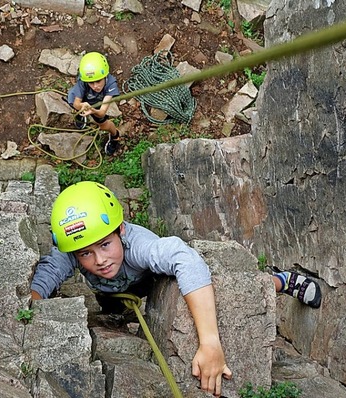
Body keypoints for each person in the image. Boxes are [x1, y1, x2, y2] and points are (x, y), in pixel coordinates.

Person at [31, 181, 232, 396]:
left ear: (121, 230)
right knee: (111, 310)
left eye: (105, 244)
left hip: (145, 284)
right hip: (108, 294)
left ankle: (274, 280)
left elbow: (185, 258)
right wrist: (30, 312)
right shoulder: (73, 250)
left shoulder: (138, 246)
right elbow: (46, 276)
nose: (100, 260)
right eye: (85, 254)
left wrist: (210, 342)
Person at [67, 52, 122, 156]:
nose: (95, 86)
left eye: (98, 81)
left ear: (105, 76)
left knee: (104, 125)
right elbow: (76, 102)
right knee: (72, 102)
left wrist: (92, 110)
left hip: (96, 107)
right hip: (86, 102)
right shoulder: (84, 81)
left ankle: (115, 136)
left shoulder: (111, 84)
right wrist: (81, 107)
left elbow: (101, 113)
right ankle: (81, 115)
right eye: (91, 83)